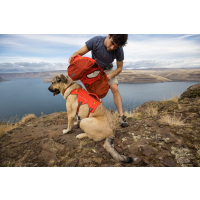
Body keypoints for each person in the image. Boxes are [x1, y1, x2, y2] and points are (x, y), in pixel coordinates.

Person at [68, 34, 129, 127]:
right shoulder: (96, 41)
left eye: (115, 46)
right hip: (94, 70)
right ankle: (89, 117)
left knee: (115, 89)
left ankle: (121, 117)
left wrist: (111, 75)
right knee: (94, 95)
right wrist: (73, 57)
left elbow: (119, 68)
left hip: (108, 70)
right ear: (109, 35)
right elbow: (78, 53)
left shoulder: (119, 50)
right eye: (112, 43)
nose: (112, 47)